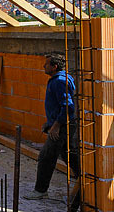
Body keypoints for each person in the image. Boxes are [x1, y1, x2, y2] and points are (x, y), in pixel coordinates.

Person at [23, 52, 80, 201]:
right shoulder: (59, 79)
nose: (44, 66)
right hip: (62, 124)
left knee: (46, 157)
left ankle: (40, 190)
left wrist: (55, 126)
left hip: (62, 126)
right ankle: (84, 179)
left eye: (46, 64)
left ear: (54, 67)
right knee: (69, 154)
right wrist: (50, 123)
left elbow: (68, 107)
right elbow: (59, 106)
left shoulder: (59, 81)